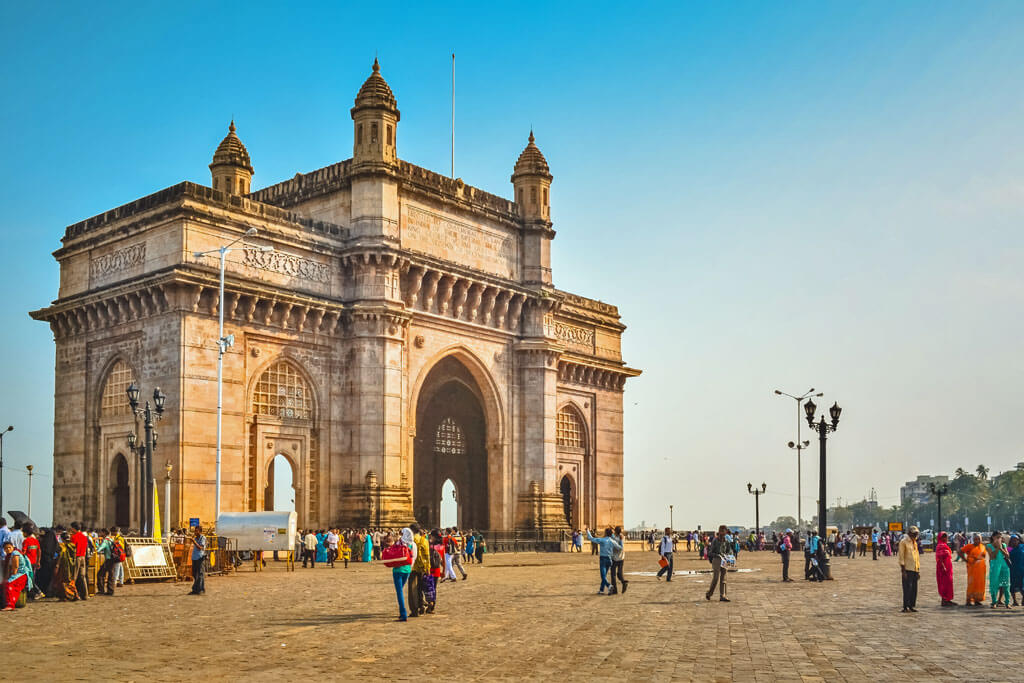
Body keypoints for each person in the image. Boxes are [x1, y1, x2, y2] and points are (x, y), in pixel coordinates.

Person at [585, 526, 621, 595]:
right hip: (610, 559)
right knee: (604, 575)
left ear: (605, 533)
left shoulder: (602, 540)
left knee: (603, 576)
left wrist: (587, 531)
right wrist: (620, 541)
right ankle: (601, 590)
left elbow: (591, 538)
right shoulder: (612, 541)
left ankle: (609, 586)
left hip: (603, 559)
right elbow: (619, 548)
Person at [390, 528, 415, 621]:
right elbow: (412, 556)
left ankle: (403, 614)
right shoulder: (411, 544)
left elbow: (391, 552)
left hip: (398, 570)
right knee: (400, 591)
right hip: (407, 570)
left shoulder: (398, 543)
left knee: (399, 592)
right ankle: (402, 612)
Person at [1, 540, 33, 610]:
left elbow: (15, 567)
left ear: (13, 547)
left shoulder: (15, 553)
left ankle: (10, 605)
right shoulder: (10, 555)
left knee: (9, 584)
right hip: (19, 574)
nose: (8, 549)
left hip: (22, 574)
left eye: (9, 547)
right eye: (6, 548)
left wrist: (11, 578)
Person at [959, 533, 988, 606]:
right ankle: (969, 600)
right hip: (972, 567)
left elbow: (983, 556)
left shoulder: (983, 547)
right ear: (973, 539)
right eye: (975, 539)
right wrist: (965, 560)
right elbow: (960, 552)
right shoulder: (969, 546)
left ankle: (977, 600)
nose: (977, 540)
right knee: (972, 583)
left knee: (979, 583)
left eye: (979, 539)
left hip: (981, 568)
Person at [898, 526, 921, 612]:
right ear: (910, 533)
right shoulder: (904, 542)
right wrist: (903, 570)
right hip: (907, 568)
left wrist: (918, 570)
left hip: (915, 568)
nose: (916, 535)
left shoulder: (914, 542)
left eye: (916, 534)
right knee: (907, 588)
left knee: (914, 589)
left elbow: (916, 557)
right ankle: (905, 606)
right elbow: (901, 557)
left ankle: (911, 605)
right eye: (914, 534)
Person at [408, 523, 429, 618]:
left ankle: (414, 610)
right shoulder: (424, 540)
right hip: (423, 567)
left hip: (413, 567)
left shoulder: (410, 541)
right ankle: (422, 606)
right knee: (421, 587)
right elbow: (427, 555)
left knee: (413, 589)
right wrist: (428, 568)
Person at [986, 531, 1011, 608]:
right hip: (995, 566)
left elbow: (1007, 556)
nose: (999, 539)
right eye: (997, 537)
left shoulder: (1003, 545)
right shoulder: (989, 546)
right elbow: (992, 556)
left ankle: (1007, 602)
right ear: (993, 537)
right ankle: (994, 602)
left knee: (1006, 584)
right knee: (994, 584)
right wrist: (997, 548)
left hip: (1004, 566)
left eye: (1000, 537)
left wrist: (1001, 548)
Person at [706, 525, 730, 602]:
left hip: (724, 560)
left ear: (726, 532)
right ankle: (709, 593)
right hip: (717, 559)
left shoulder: (727, 541)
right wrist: (717, 555)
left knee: (724, 578)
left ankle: (722, 595)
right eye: (721, 530)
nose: (722, 532)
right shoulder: (715, 540)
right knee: (716, 578)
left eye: (724, 531)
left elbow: (729, 550)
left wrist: (728, 556)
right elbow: (710, 552)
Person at [95, 529, 121, 596]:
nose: (99, 534)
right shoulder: (111, 539)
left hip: (108, 559)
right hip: (113, 559)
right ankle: (110, 591)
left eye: (100, 532)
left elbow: (99, 549)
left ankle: (101, 590)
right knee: (111, 575)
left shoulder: (106, 541)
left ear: (104, 533)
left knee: (100, 574)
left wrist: (96, 544)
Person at [69, 522, 90, 600]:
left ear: (74, 528)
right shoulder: (84, 537)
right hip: (83, 557)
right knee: (82, 576)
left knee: (73, 577)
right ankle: (85, 594)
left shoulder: (74, 537)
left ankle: (74, 595)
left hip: (76, 557)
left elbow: (72, 548)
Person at [935, 531, 956, 606]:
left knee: (949, 583)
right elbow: (940, 557)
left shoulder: (945, 545)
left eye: (946, 537)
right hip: (943, 568)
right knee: (944, 584)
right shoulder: (940, 545)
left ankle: (948, 599)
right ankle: (944, 600)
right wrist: (943, 566)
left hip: (948, 567)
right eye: (943, 537)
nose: (945, 538)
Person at [608, 526, 628, 595]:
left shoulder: (615, 539)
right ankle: (623, 582)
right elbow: (617, 534)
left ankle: (615, 590)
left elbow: (613, 536)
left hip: (615, 558)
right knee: (619, 573)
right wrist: (613, 528)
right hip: (621, 558)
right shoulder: (622, 537)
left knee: (613, 575)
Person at [189, 525, 207, 595]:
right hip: (194, 557)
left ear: (200, 531)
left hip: (200, 557)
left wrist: (194, 541)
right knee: (194, 574)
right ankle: (197, 588)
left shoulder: (203, 538)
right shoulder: (195, 538)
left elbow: (200, 547)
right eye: (195, 531)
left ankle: (200, 589)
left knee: (200, 574)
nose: (195, 532)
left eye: (196, 531)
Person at [1008, 535, 1023, 606]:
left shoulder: (1022, 547)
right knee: (1013, 586)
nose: (1014, 541)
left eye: (1016, 540)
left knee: (1022, 586)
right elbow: (1007, 560)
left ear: (1019, 540)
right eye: (1012, 540)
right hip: (1013, 571)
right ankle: (1015, 601)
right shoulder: (1009, 550)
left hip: (1022, 570)